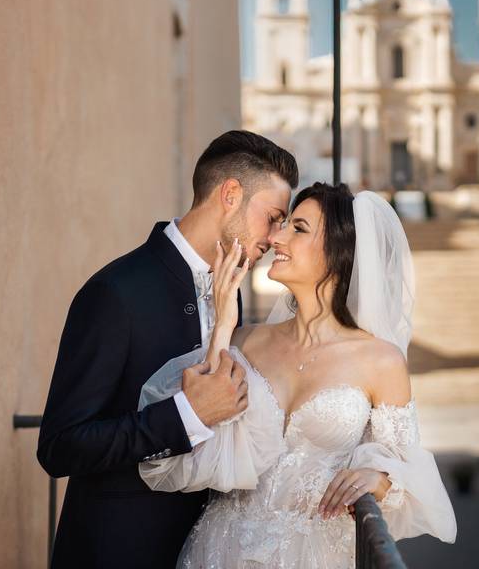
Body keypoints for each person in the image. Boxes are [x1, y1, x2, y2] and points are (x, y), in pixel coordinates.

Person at [139, 182, 457, 567]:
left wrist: (381, 479)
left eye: (298, 228)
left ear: (338, 253)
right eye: (282, 224)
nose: (276, 236)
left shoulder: (381, 361)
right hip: (220, 550)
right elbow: (198, 443)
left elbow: (407, 469)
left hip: (316, 556)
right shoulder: (247, 340)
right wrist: (222, 326)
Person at [37, 130, 298, 568]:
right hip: (116, 552)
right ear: (230, 194)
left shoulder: (230, 293)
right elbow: (60, 447)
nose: (275, 236)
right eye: (273, 216)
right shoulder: (115, 292)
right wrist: (187, 415)